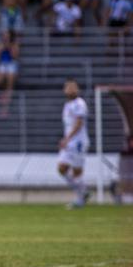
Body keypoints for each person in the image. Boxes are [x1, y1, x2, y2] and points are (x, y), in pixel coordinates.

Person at [58, 80, 90, 209]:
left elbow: (79, 123)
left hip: (78, 142)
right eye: (68, 87)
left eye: (73, 87)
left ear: (77, 90)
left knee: (77, 171)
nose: (71, 90)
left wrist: (67, 138)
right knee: (61, 168)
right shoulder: (67, 105)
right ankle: (83, 191)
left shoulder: (79, 103)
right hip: (69, 142)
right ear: (64, 90)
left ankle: (80, 200)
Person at [0, 31, 19, 117]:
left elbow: (15, 56)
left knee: (10, 84)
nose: (5, 37)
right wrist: (3, 47)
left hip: (11, 64)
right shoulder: (0, 44)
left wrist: (9, 47)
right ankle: (3, 92)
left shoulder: (14, 44)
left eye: (7, 36)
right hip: (2, 64)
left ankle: (5, 110)